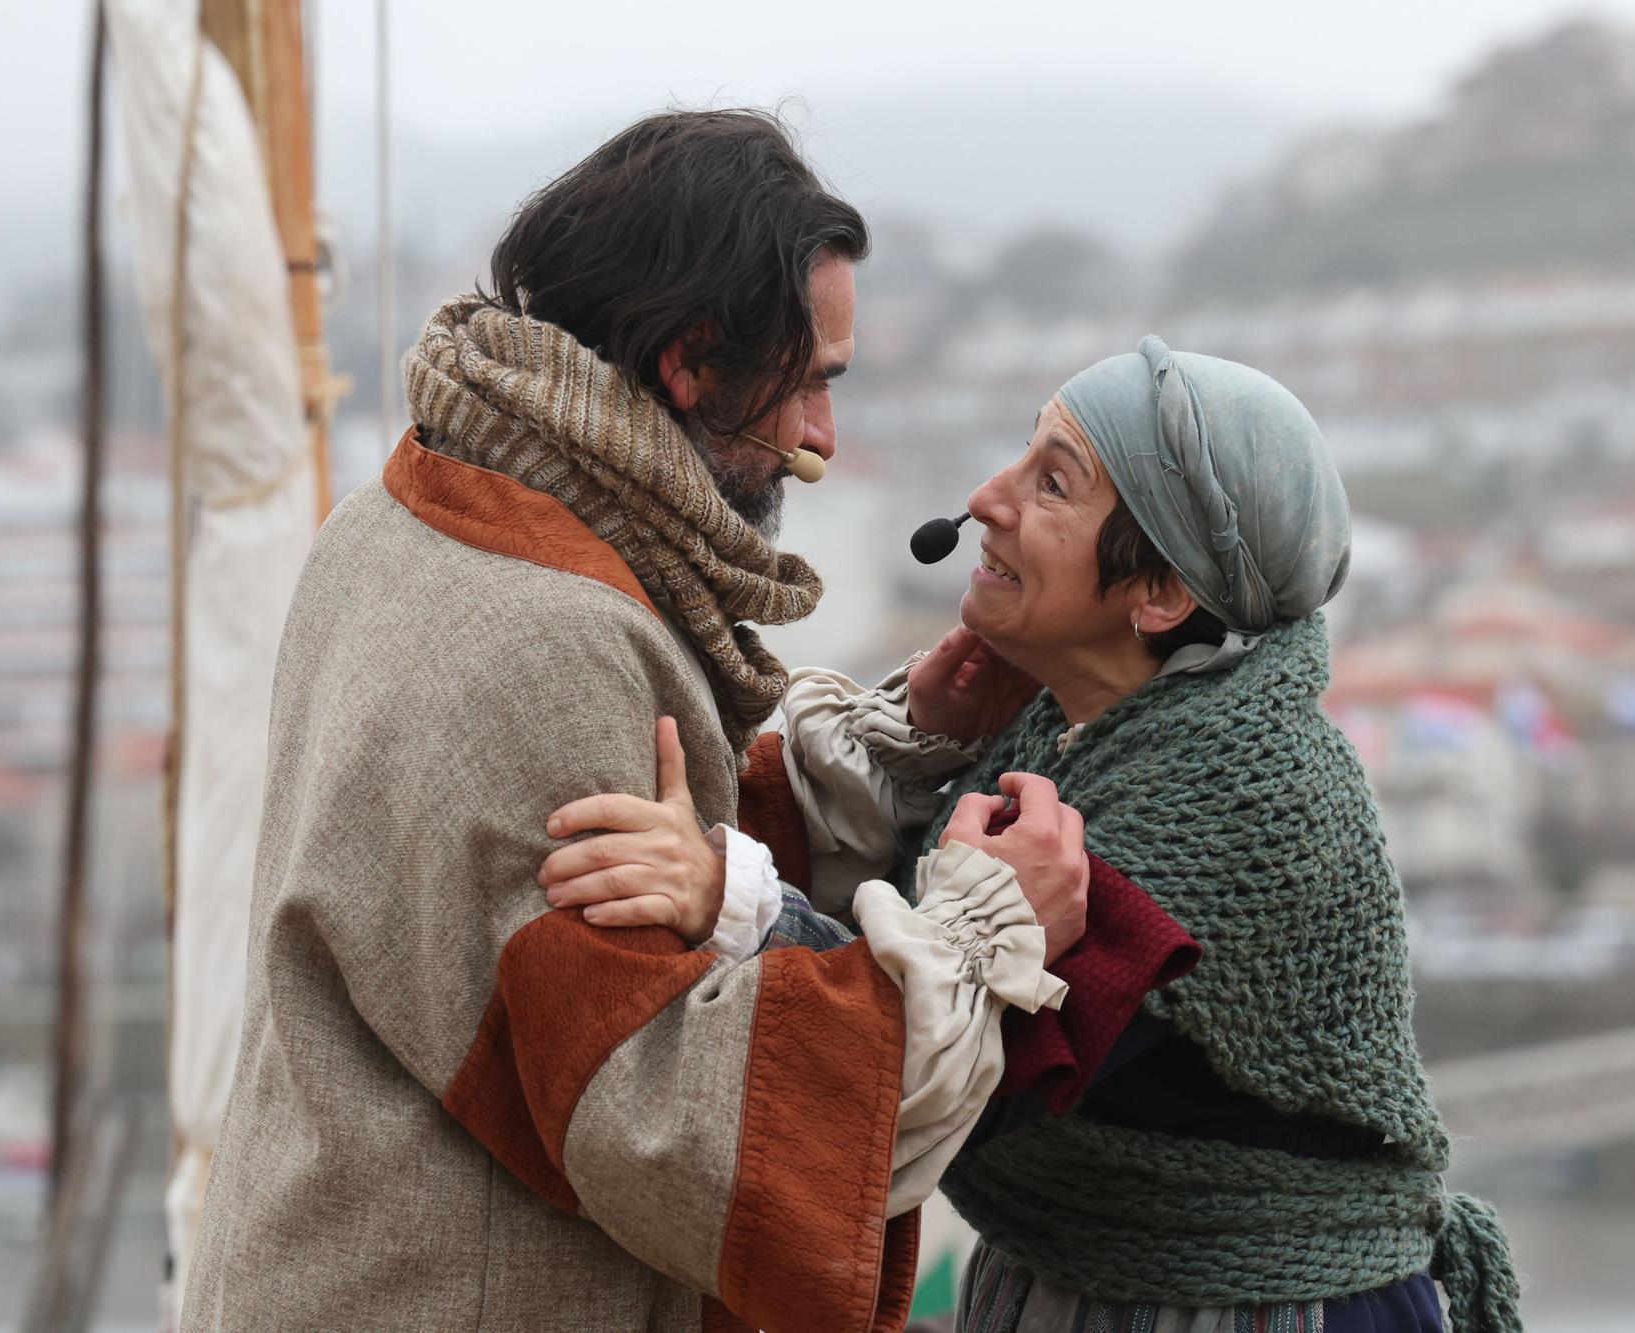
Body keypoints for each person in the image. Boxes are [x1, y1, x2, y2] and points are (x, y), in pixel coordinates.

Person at [178, 109, 1096, 1333]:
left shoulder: (415, 512)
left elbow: (573, 899)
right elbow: (661, 1114)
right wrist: (978, 938)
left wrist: (872, 761)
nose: (821, 438)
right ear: (691, 362)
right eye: (812, 382)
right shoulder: (544, 632)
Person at [577, 338, 1524, 1332]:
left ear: (1158, 592)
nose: (986, 498)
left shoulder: (1236, 802)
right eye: (1020, 454)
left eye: (1052, 483)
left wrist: (729, 897)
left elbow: (948, 1062)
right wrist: (918, 750)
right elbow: (928, 926)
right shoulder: (1058, 728)